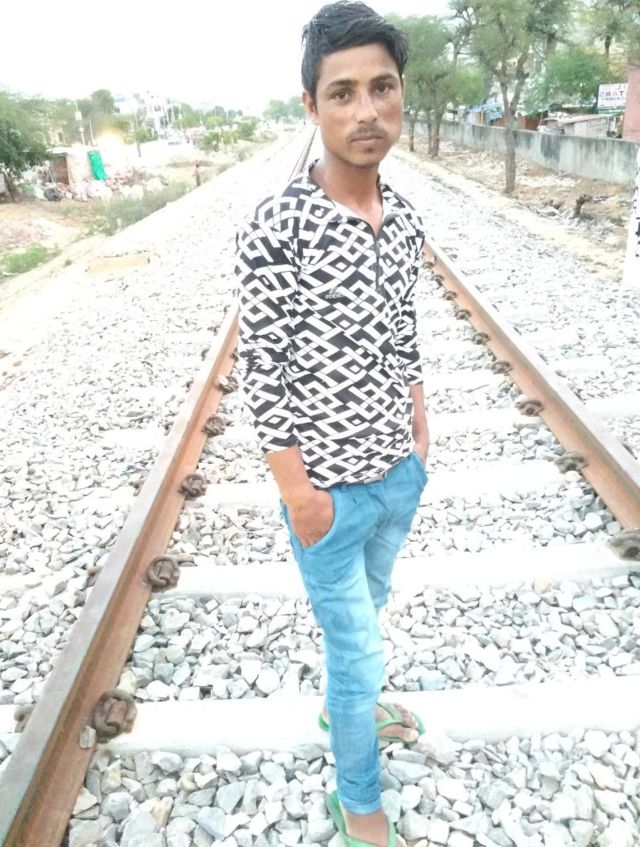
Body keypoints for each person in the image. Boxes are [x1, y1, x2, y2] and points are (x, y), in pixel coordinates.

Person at [236, 3, 429, 845]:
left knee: (369, 612)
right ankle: (357, 799)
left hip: (397, 477)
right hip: (327, 497)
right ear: (311, 106)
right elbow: (261, 368)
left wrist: (418, 433)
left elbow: (404, 329)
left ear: (401, 94)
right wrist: (300, 496)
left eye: (382, 88)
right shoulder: (278, 225)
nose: (366, 111)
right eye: (342, 93)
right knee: (359, 651)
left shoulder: (406, 216)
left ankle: (351, 704)